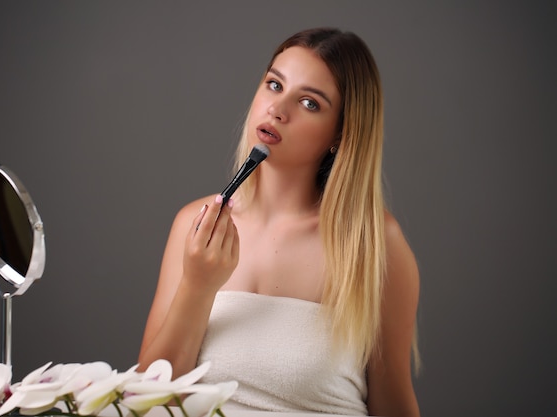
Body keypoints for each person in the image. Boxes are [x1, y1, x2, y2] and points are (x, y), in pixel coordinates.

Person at [138, 27, 420, 417]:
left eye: (309, 103)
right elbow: (146, 399)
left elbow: (393, 404)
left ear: (341, 133)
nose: (278, 109)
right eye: (274, 84)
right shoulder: (194, 224)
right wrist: (197, 287)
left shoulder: (373, 242)